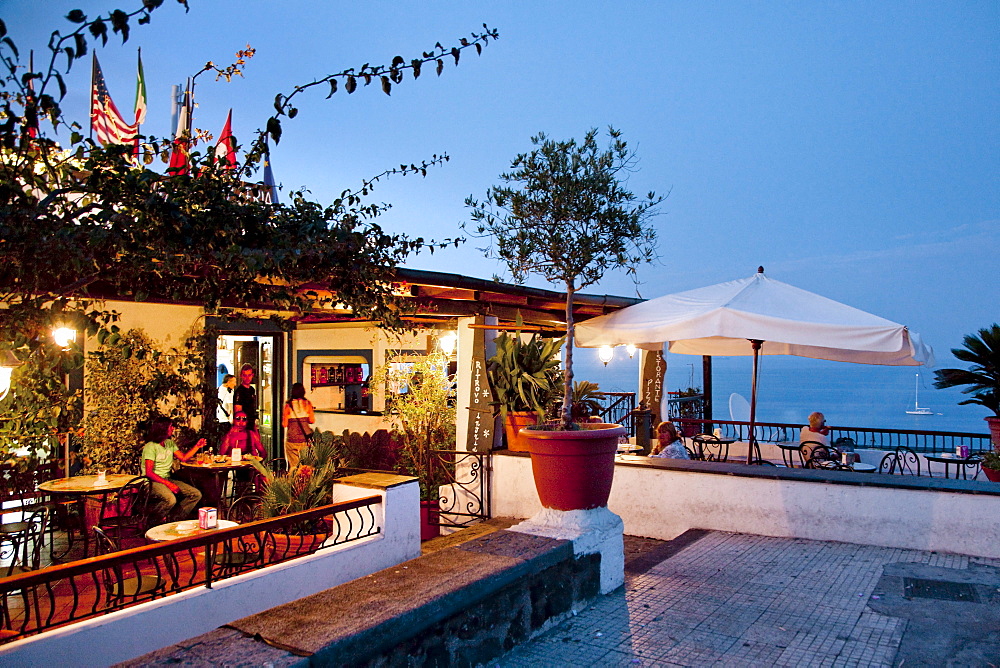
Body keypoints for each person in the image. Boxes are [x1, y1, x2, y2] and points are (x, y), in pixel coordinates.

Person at [143, 417, 203, 522]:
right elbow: (149, 473)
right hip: (151, 482)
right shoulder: (150, 446)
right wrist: (168, 484)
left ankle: (172, 520)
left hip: (166, 478)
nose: (173, 428)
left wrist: (197, 447)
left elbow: (183, 458)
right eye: (171, 426)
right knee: (170, 499)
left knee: (195, 494)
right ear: (163, 428)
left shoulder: (170, 443)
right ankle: (150, 521)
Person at [282, 382, 315, 468]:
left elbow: (284, 424)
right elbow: (312, 420)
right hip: (304, 440)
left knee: (293, 466)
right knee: (304, 466)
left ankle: (293, 480)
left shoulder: (288, 405)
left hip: (291, 440)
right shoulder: (308, 404)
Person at [233, 363, 259, 432]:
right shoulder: (239, 392)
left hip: (251, 425)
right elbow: (238, 412)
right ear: (241, 376)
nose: (247, 378)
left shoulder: (251, 390)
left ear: (252, 375)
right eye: (245, 375)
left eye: (249, 375)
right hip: (243, 427)